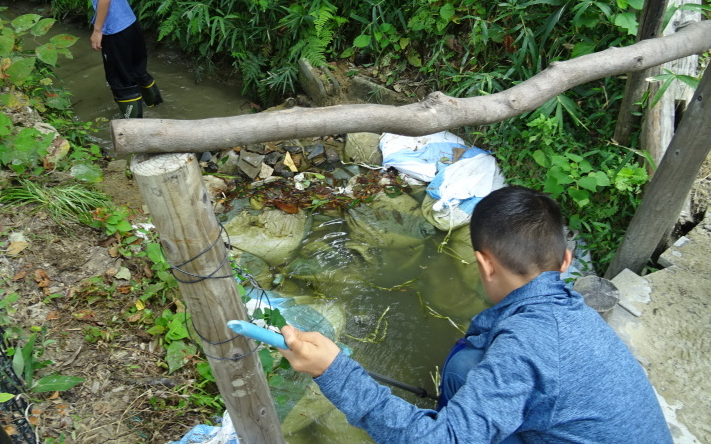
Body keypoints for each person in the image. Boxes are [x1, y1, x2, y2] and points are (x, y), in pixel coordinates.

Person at [280, 186, 673, 443]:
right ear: (566, 261)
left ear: (484, 265)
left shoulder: (527, 345)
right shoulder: (573, 314)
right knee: (464, 366)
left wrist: (332, 370)